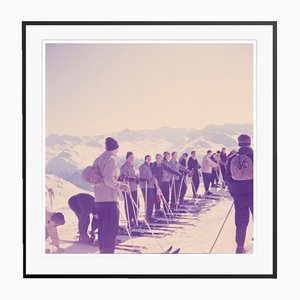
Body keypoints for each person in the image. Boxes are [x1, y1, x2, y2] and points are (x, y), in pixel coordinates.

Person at [93, 137, 129, 253]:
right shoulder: (110, 159)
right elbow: (108, 180)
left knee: (103, 230)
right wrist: (121, 185)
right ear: (115, 148)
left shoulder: (98, 159)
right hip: (109, 199)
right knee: (111, 230)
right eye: (117, 150)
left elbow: (99, 178)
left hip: (99, 199)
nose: (117, 152)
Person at [226, 134, 253, 254]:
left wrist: (234, 194)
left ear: (238, 143)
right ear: (250, 143)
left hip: (239, 195)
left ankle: (240, 246)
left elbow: (227, 178)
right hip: (254, 193)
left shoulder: (232, 158)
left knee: (241, 222)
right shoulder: (254, 156)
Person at [119, 152, 139, 227]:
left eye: (132, 157)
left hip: (134, 188)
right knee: (129, 204)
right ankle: (129, 220)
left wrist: (136, 179)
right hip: (127, 188)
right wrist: (129, 179)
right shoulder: (124, 167)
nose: (132, 159)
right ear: (127, 158)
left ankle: (135, 218)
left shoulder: (132, 167)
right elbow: (122, 176)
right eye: (130, 157)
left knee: (136, 204)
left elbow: (134, 177)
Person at [139, 155, 155, 222]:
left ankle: (150, 215)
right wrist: (146, 179)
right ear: (145, 159)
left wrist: (152, 178)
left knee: (151, 201)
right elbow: (142, 176)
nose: (149, 160)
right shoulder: (143, 167)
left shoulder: (149, 167)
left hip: (150, 186)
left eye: (150, 159)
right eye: (148, 159)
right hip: (145, 186)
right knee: (148, 201)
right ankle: (147, 216)